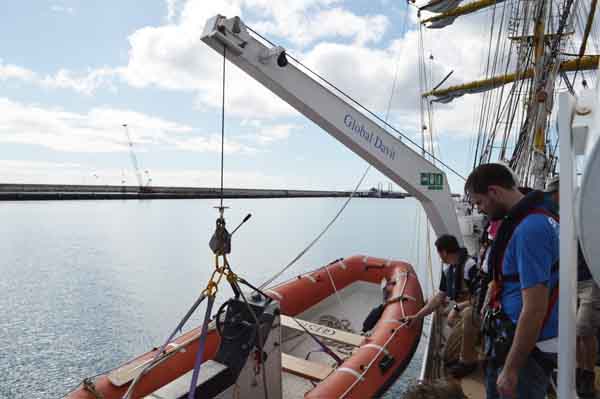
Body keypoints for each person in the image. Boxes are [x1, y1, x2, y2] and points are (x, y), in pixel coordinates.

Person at [466, 163, 559, 399]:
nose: (481, 210)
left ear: (494, 192)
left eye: (480, 202)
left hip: (526, 355)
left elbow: (535, 307)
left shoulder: (530, 229)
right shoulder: (530, 220)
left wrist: (511, 369)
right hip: (512, 341)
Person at [546, 176, 599, 398]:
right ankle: (579, 370)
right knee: (573, 332)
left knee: (583, 328)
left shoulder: (587, 214)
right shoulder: (556, 218)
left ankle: (588, 374)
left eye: (554, 194)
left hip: (590, 281)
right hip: (570, 281)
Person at [405, 234, 478, 378]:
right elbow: (440, 297)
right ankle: (463, 347)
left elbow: (480, 298)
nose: (440, 257)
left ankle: (468, 361)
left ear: (443, 252)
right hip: (460, 313)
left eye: (439, 253)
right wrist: (417, 316)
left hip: (475, 312)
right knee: (447, 358)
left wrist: (457, 308)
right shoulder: (448, 271)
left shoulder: (470, 266)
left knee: (468, 313)